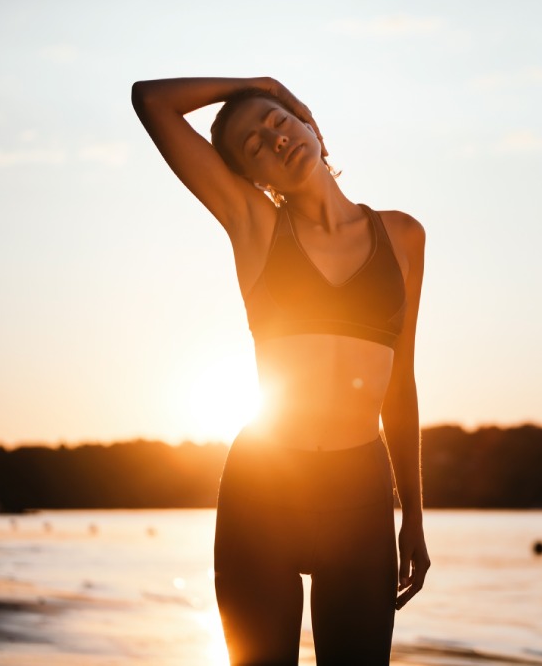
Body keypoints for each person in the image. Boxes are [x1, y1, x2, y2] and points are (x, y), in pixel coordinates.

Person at [131, 77, 429, 665]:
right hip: (263, 493)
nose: (274, 138)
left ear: (310, 126)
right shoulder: (255, 225)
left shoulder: (402, 236)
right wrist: (258, 84)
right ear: (254, 178)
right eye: (254, 146)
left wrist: (413, 517)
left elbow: (401, 386)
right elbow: (151, 101)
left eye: (277, 121)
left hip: (361, 497)